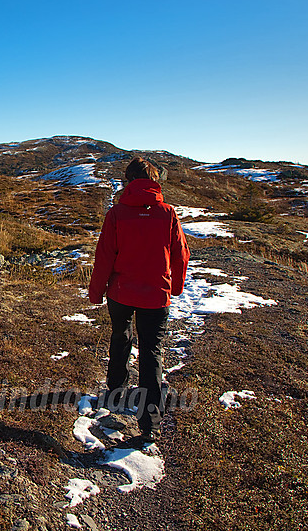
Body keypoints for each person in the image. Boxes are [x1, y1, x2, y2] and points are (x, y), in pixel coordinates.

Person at [88, 157, 190, 443]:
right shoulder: (167, 213)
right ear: (154, 180)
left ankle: (116, 393)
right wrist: (176, 287)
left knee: (120, 337)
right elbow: (181, 254)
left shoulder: (117, 214)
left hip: (121, 293)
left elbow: (104, 257)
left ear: (128, 181)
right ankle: (150, 421)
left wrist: (96, 292)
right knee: (151, 351)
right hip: (156, 295)